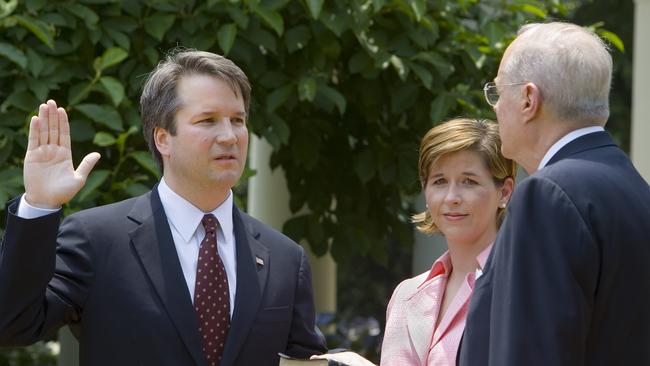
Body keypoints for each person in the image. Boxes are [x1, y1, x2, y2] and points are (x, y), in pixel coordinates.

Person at [0, 50, 326, 366]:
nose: (229, 136)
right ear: (162, 139)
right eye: (208, 120)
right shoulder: (97, 239)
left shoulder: (285, 258)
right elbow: (12, 325)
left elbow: (304, 361)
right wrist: (39, 206)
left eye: (237, 120)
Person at [459, 22, 650, 366]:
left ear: (529, 100)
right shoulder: (634, 189)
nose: (495, 107)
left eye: (498, 93)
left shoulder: (546, 195)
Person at [312, 118, 516, 365]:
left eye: (468, 181)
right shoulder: (406, 295)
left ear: (504, 192)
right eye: (439, 181)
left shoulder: (521, 286)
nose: (451, 197)